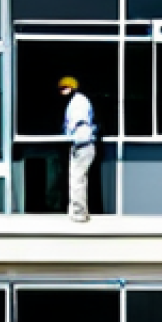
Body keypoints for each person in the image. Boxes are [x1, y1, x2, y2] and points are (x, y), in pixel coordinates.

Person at [58, 76, 97, 222]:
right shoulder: (76, 102)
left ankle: (79, 213)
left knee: (77, 179)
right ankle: (78, 211)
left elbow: (80, 126)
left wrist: (76, 140)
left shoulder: (78, 103)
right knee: (77, 179)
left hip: (82, 145)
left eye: (64, 88)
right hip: (81, 145)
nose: (62, 91)